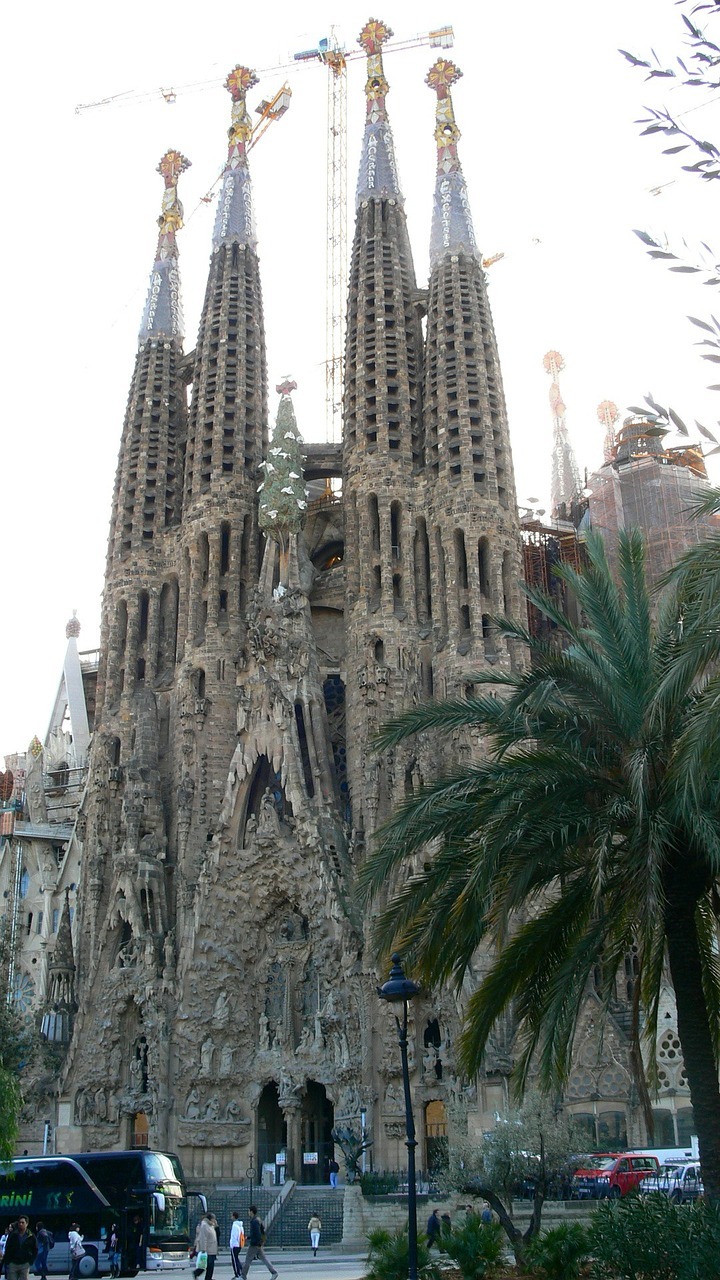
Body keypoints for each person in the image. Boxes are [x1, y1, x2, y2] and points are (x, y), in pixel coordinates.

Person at [241, 1207, 277, 1280]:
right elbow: (262, 1230)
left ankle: (243, 1276)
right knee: (264, 1259)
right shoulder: (258, 1220)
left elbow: (256, 1233)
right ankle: (274, 1272)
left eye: (249, 1211)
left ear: (251, 1212)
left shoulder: (254, 1221)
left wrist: (255, 1240)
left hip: (254, 1244)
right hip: (258, 1243)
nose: (248, 1212)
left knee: (248, 1260)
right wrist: (250, 1238)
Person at [193, 1213, 218, 1280]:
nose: (214, 1220)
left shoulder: (211, 1225)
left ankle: (208, 1278)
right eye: (213, 1219)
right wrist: (203, 1249)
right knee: (207, 1265)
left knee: (210, 1266)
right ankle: (197, 1273)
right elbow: (203, 1238)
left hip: (212, 1249)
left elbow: (218, 1233)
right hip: (208, 1249)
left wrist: (216, 1225)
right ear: (211, 1219)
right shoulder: (204, 1225)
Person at [229, 1213, 244, 1278]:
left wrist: (232, 1245)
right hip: (239, 1244)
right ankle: (241, 1270)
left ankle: (237, 1274)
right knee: (236, 1258)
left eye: (232, 1216)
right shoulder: (240, 1226)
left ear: (234, 1217)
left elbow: (234, 1236)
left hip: (235, 1245)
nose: (231, 1217)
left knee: (234, 1260)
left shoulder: (235, 1226)